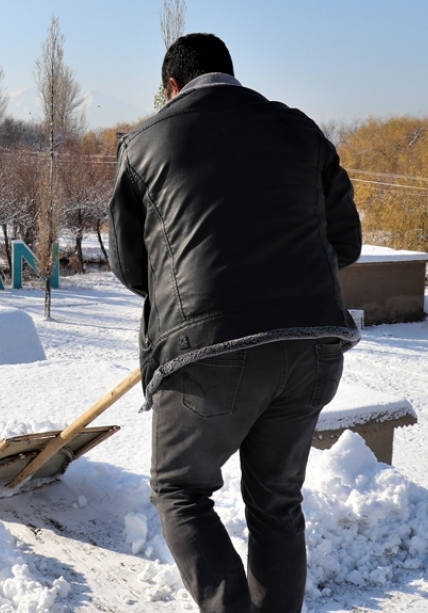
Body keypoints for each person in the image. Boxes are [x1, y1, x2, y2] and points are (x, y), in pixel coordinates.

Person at [108, 33, 362, 613]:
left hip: (206, 356)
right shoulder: (301, 132)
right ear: (232, 75)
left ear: (171, 87)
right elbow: (345, 243)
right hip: (312, 347)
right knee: (276, 504)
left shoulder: (145, 143)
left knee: (179, 490)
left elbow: (130, 267)